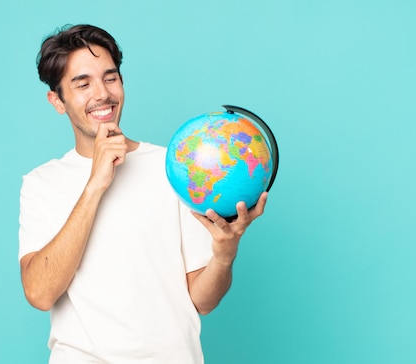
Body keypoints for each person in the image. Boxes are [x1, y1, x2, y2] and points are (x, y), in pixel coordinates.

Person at [18, 24, 268, 363]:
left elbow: (203, 301)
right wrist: (95, 185)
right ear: (57, 100)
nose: (102, 94)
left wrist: (224, 254)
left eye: (110, 78)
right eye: (82, 84)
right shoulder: (41, 184)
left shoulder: (175, 170)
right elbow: (39, 293)